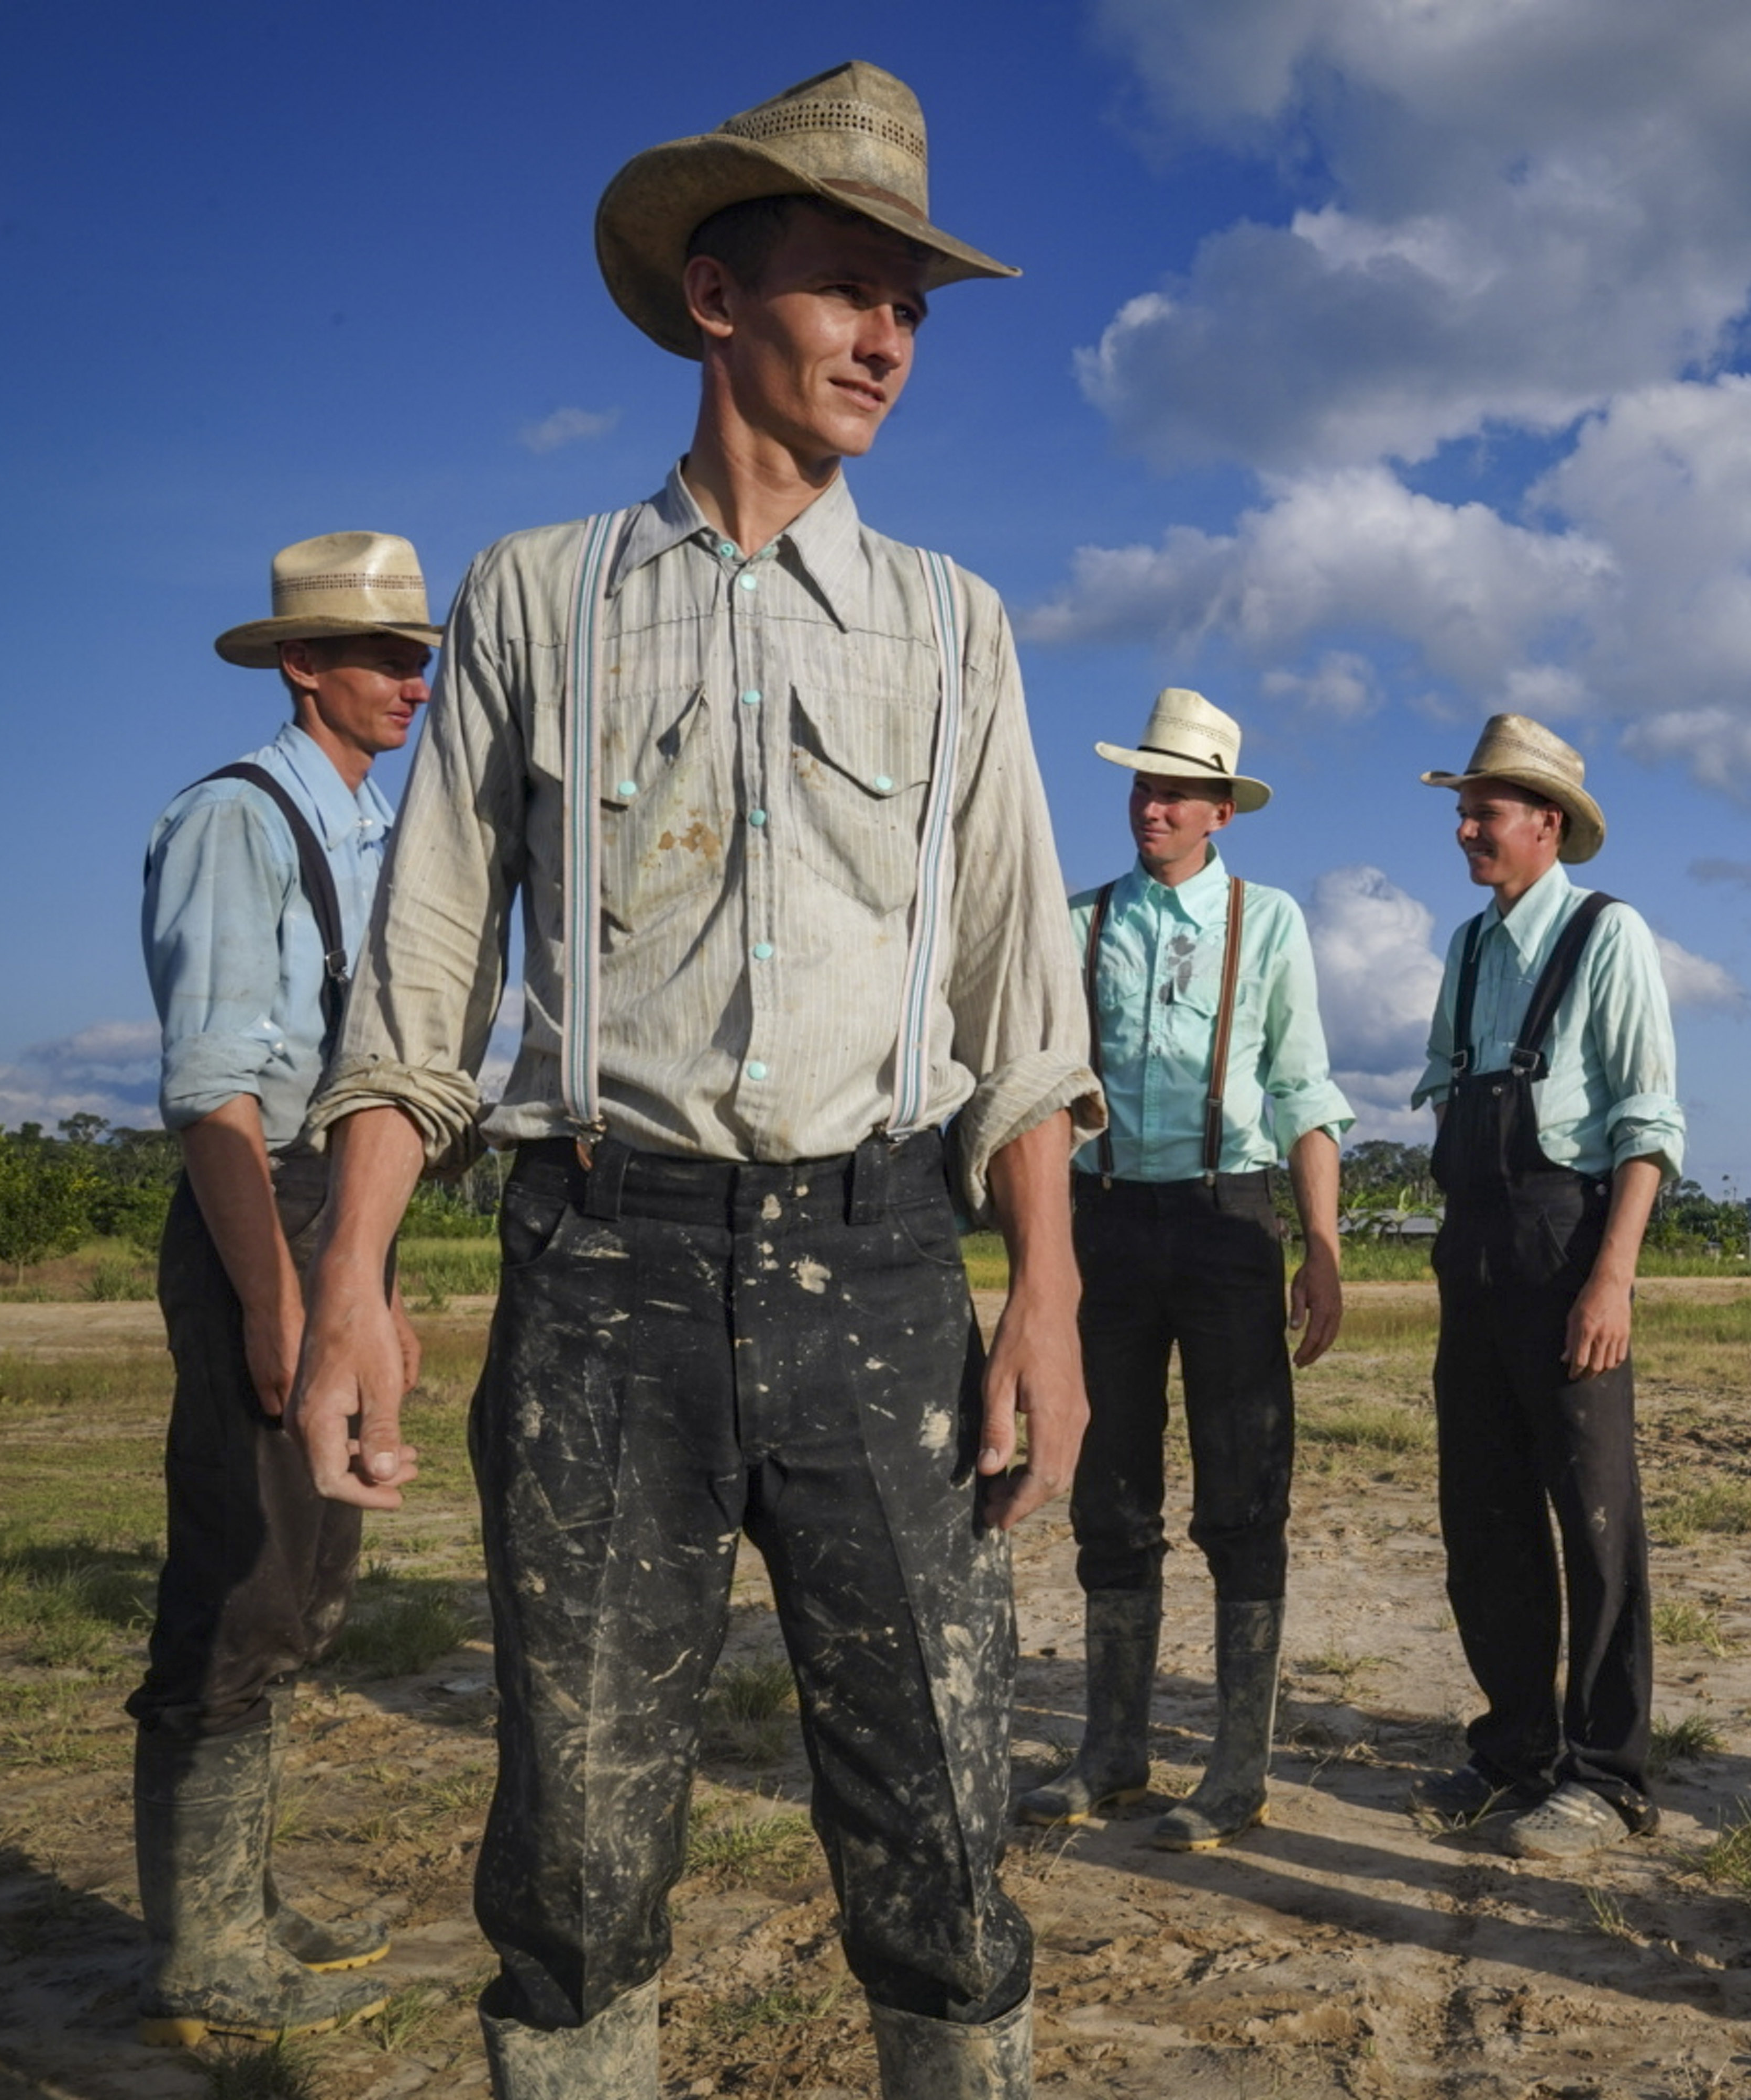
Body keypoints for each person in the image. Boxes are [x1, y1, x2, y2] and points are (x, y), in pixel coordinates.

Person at [285, 63, 1097, 2098]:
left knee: (939, 1835)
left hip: (882, 1271)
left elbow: (1021, 998)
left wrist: (1050, 1301)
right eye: (853, 285)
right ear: (718, 296)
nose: (896, 337)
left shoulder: (952, 629)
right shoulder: (534, 598)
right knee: (572, 1863)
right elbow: (424, 979)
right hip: (599, 1287)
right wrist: (352, 1283)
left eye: (917, 299)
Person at [127, 532, 437, 2047]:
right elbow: (216, 1096)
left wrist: (370, 1281)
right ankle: (195, 1947)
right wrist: (279, 1295)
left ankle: (246, 1907)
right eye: (379, 655)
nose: (410, 679)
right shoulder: (236, 821)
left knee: (311, 1577)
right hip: (259, 1205)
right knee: (241, 1573)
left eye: (417, 653)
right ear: (300, 664)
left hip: (333, 1219)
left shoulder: (371, 828)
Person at [1019, 688, 1353, 1850]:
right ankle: (1111, 1749)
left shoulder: (1270, 923)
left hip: (1227, 1227)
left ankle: (1238, 1768)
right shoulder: (1080, 921)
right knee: (1110, 1491)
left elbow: (1305, 1089)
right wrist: (1040, 1257)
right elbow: (1050, 1097)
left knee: (1243, 1489)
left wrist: (1322, 1246)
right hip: (1104, 1222)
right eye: (1139, 785)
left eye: (1173, 791)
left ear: (1220, 808)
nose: (1150, 806)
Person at [1405, 714, 1682, 1859]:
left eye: (1486, 809)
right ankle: (1513, 1748)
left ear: (1547, 825)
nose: (1466, 826)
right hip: (1474, 1248)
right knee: (1483, 1517)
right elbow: (1443, 1089)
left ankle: (1609, 1774)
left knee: (1595, 1515)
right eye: (1463, 807)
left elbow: (1646, 1124)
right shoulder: (1469, 948)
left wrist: (1611, 1275)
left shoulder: (1609, 935)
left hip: (1567, 1244)